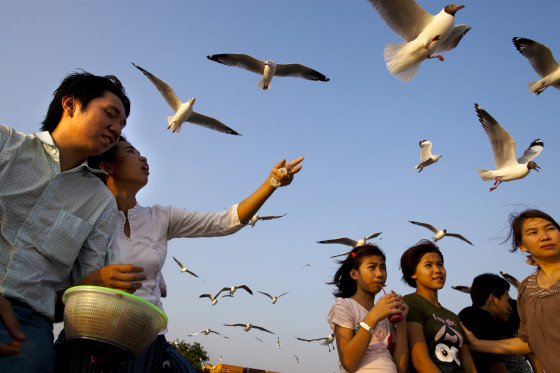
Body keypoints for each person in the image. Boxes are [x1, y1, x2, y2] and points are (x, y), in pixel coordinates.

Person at [54, 136, 303, 372]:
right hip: (89, 336)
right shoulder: (83, 217)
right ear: (107, 165)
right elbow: (53, 292)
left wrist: (271, 183)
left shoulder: (161, 217)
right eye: (131, 152)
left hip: (146, 337)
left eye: (141, 153)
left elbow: (225, 221)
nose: (144, 159)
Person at [0, 71, 146, 372]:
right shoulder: (5, 145)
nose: (117, 129)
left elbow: (86, 296)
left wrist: (103, 331)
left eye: (122, 124)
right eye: (110, 114)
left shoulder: (100, 201)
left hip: (25, 328)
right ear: (70, 105)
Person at [463, 209, 560, 373]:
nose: (545, 236)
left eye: (550, 229)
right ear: (522, 245)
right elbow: (529, 342)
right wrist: (478, 344)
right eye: (533, 232)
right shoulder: (528, 289)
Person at [327, 245, 409, 373]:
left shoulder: (386, 314)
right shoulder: (344, 305)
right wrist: (373, 317)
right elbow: (349, 363)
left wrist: (402, 322)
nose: (380, 274)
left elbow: (401, 368)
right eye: (372, 267)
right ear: (354, 274)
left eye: (383, 268)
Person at [400, 240, 477, 373]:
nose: (437, 270)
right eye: (428, 265)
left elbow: (468, 364)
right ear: (413, 273)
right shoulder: (411, 303)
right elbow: (420, 360)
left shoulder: (454, 317)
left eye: (440, 264)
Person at [458, 273, 516, 373]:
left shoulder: (466, 314)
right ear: (492, 298)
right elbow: (495, 365)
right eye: (507, 301)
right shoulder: (482, 318)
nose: (510, 307)